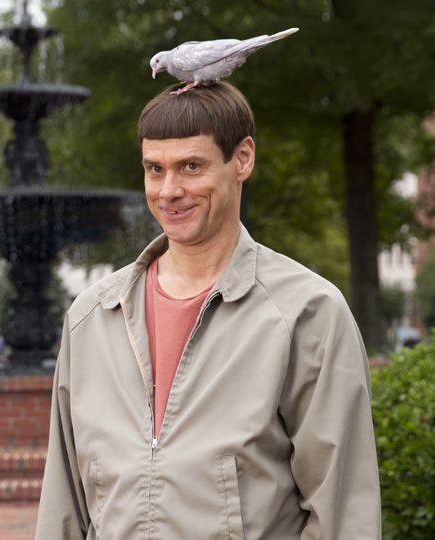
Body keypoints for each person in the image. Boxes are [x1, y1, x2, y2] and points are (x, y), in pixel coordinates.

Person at [35, 83, 381, 539]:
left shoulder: (307, 313)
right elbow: (64, 505)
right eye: (154, 169)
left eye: (191, 166)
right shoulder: (91, 317)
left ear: (242, 159)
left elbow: (343, 514)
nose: (169, 190)